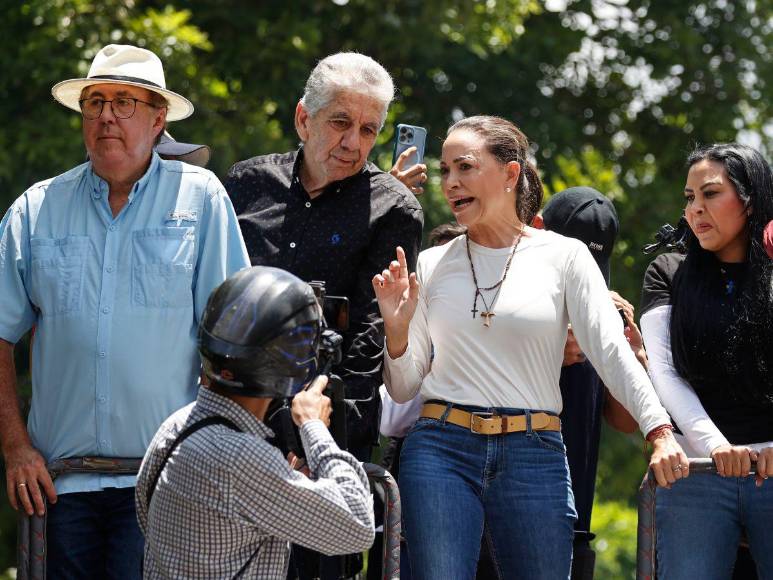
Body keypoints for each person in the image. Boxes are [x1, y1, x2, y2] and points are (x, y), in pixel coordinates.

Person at [372, 115, 687, 580]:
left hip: (533, 451)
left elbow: (610, 351)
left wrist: (659, 430)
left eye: (465, 167)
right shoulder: (431, 263)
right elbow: (402, 389)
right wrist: (396, 332)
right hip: (440, 449)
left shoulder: (565, 256)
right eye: (444, 171)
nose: (450, 183)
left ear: (510, 173)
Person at [0, 44, 249, 578]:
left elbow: (234, 338)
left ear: (158, 120)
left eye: (124, 102)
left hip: (166, 483)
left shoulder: (201, 198)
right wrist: (15, 447)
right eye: (95, 102)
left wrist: (222, 455)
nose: (106, 116)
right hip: (59, 488)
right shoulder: (37, 208)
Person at [224, 52, 422, 578]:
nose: (353, 142)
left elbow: (367, 341)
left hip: (327, 439)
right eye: (340, 122)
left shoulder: (394, 208)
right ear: (303, 119)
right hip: (231, 432)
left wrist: (318, 443)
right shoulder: (243, 185)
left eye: (369, 130)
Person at [136, 266, 374, 578]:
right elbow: (359, 525)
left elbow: (147, 516)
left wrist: (278, 480)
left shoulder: (174, 426)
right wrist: (313, 425)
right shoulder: (242, 459)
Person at [640, 143, 773, 579]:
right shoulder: (667, 271)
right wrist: (714, 448)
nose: (695, 208)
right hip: (695, 471)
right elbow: (664, 373)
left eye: (710, 194)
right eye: (689, 197)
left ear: (751, 201)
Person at [535, 186, 639, 579]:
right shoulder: (511, 301)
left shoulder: (602, 313)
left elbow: (625, 421)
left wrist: (631, 354)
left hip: (575, 520)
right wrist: (549, 348)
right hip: (504, 512)